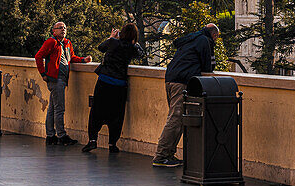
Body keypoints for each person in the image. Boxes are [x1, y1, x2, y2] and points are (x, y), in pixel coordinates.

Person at [152, 23, 219, 167]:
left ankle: (168, 154)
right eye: (216, 38)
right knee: (176, 119)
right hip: (182, 82)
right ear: (214, 35)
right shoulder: (204, 41)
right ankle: (161, 155)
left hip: (170, 79)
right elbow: (209, 66)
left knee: (177, 119)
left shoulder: (191, 38)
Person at [82, 22, 144, 154]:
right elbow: (141, 54)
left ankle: (92, 140)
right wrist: (134, 42)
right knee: (116, 114)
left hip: (104, 81)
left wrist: (112, 37)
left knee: (96, 112)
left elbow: (100, 47)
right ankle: (112, 144)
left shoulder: (113, 43)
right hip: (119, 84)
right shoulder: (132, 47)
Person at [34, 20, 91, 146]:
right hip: (55, 79)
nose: (63, 29)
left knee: (52, 108)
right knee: (59, 109)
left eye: (64, 27)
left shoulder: (67, 43)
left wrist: (83, 60)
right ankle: (61, 135)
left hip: (62, 79)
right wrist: (43, 73)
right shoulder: (51, 42)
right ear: (54, 31)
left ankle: (50, 136)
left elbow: (72, 58)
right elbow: (38, 56)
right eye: (60, 28)